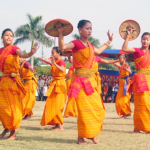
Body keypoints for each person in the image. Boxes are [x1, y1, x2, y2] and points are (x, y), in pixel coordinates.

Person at [57, 19, 113, 144]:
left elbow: (98, 51)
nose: (89, 31)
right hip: (79, 83)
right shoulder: (76, 43)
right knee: (83, 111)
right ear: (80, 30)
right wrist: (60, 33)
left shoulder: (90, 46)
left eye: (91, 28)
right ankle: (81, 137)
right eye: (87, 28)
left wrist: (109, 41)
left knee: (98, 108)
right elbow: (63, 47)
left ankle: (92, 134)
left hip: (90, 83)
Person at [0, 28, 39, 140]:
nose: (9, 37)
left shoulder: (14, 49)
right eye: (7, 35)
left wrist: (31, 53)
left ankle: (13, 133)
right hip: (3, 81)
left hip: (12, 82)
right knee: (2, 108)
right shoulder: (0, 51)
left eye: (11, 36)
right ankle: (6, 128)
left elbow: (23, 54)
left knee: (11, 107)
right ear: (2, 37)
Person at [122, 28, 150, 133]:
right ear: (141, 40)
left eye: (147, 39)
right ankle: (138, 128)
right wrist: (128, 36)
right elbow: (124, 48)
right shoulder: (137, 51)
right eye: (143, 39)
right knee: (141, 104)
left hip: (149, 80)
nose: (145, 41)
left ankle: (147, 126)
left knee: (148, 104)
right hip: (140, 80)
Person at [41, 47, 67, 131]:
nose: (51, 54)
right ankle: (57, 124)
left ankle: (59, 126)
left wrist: (54, 64)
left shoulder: (61, 62)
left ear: (58, 53)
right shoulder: (55, 62)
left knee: (57, 105)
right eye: (51, 53)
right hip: (55, 84)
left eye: (53, 53)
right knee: (51, 104)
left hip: (60, 85)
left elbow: (63, 70)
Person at [114, 54, 132, 118]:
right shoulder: (121, 66)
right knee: (122, 98)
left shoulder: (126, 65)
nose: (120, 59)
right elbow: (115, 63)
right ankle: (128, 112)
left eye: (121, 58)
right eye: (119, 58)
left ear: (124, 59)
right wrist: (117, 59)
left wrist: (126, 69)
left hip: (125, 84)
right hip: (121, 83)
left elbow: (130, 72)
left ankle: (124, 113)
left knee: (123, 99)